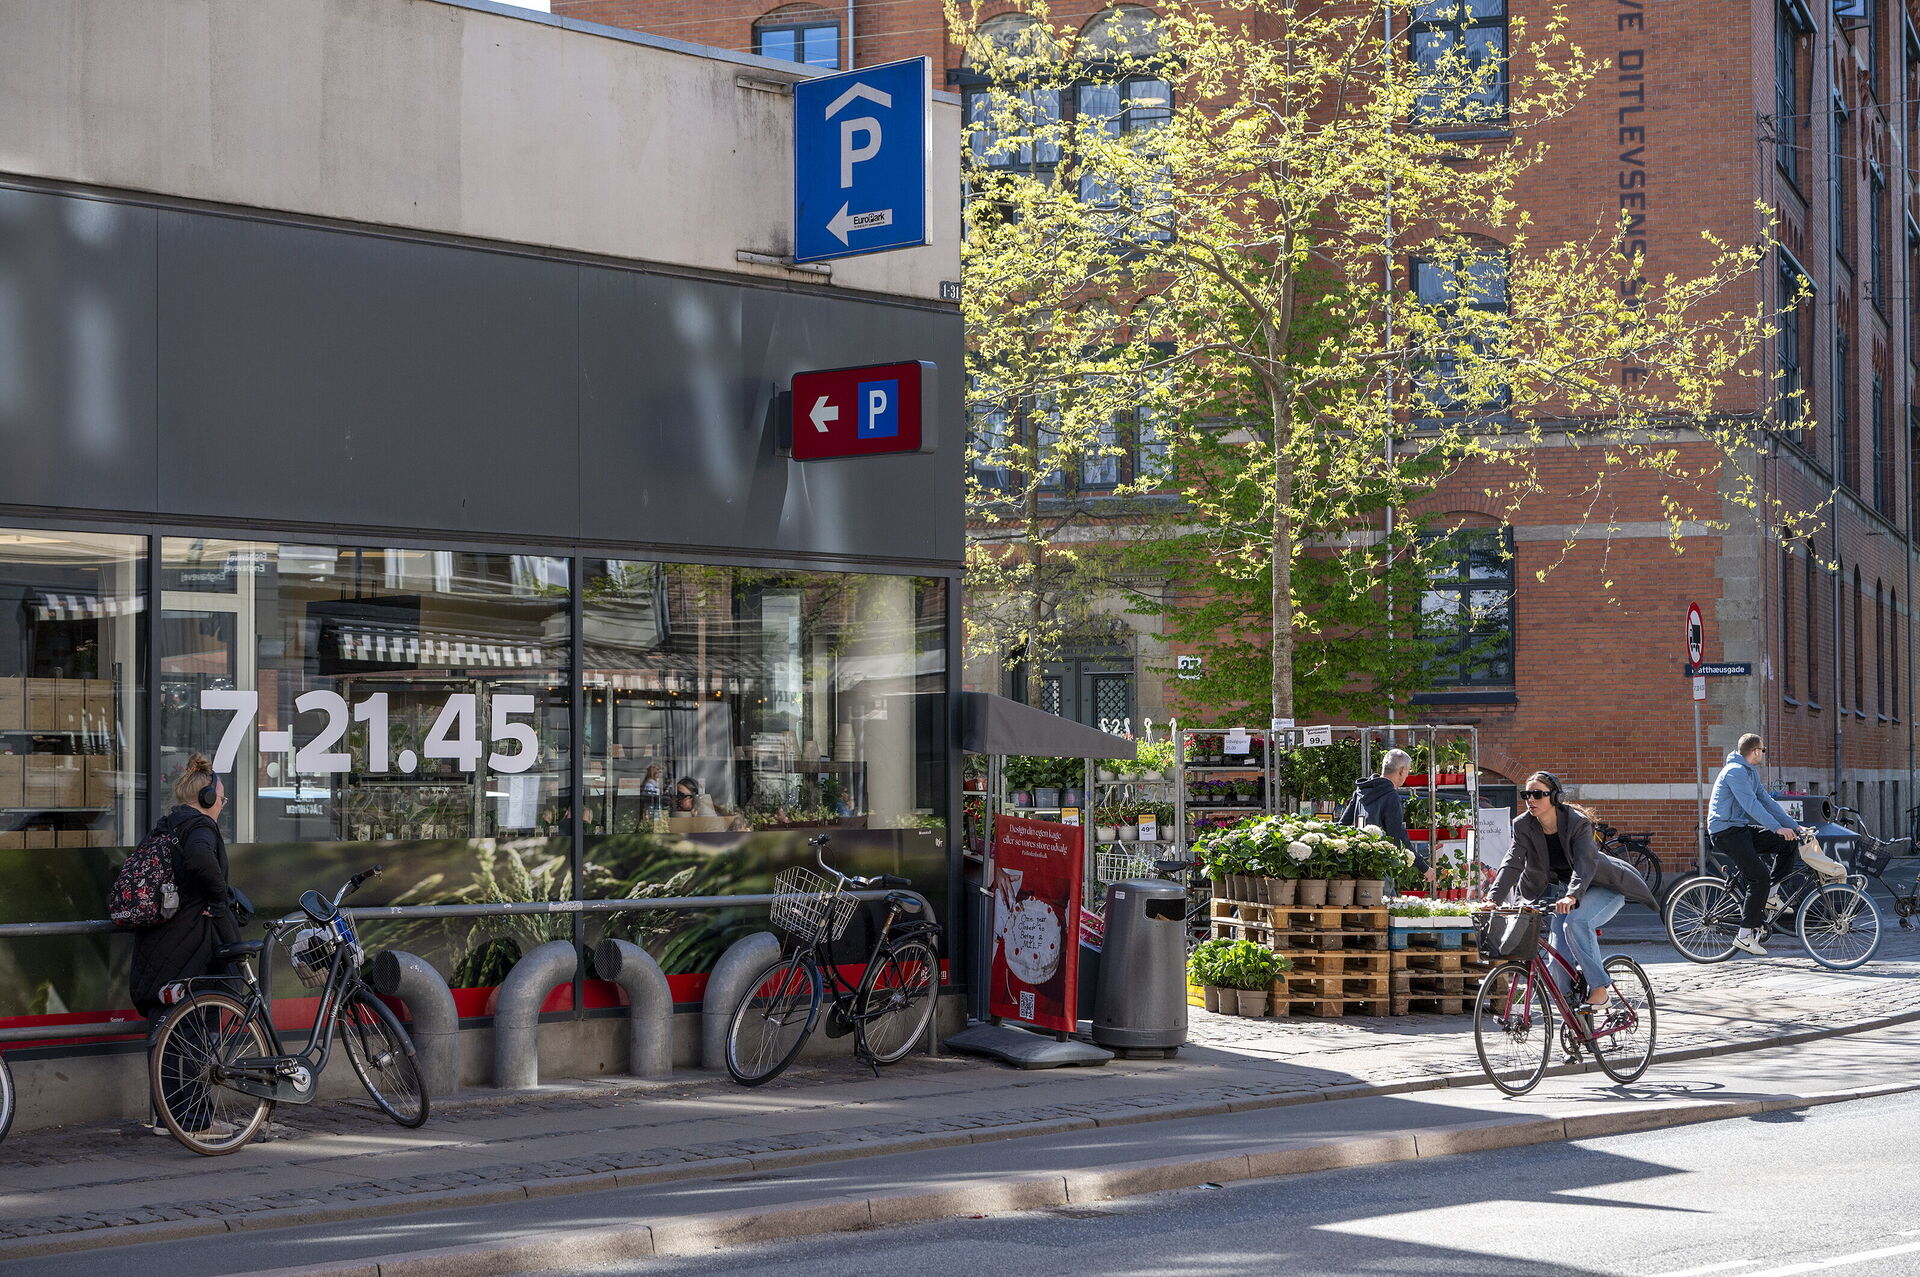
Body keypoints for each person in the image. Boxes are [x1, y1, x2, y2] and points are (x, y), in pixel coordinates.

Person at [129, 754, 244, 1134]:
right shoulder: (200, 828)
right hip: (190, 942)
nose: (222, 805)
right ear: (208, 798)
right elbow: (199, 858)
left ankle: (169, 1119)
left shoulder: (165, 827)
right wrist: (219, 898)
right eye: (222, 798)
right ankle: (195, 1121)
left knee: (166, 1032)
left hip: (158, 941)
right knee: (193, 1031)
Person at [1490, 771, 1654, 1019]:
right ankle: (1575, 1017)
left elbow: (1584, 863)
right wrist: (1493, 898)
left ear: (1555, 797)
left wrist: (1573, 896)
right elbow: (1513, 861)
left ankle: (1600, 990)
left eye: (1537, 794)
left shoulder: (1577, 822)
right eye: (1527, 795)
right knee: (1557, 961)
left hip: (1602, 886)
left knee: (1576, 923)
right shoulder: (1523, 824)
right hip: (1568, 892)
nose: (1531, 799)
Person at [1707, 733, 1812, 956]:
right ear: (1755, 751)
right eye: (1763, 750)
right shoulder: (1735, 772)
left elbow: (1767, 802)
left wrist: (1794, 827)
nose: (1764, 754)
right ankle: (1744, 936)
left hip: (1739, 828)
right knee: (1759, 877)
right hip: (1725, 832)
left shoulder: (1750, 772)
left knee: (1787, 843)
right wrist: (1776, 827)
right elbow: (1751, 805)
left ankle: (1771, 895)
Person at [1339, 747, 1419, 870]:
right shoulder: (1391, 796)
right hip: (1381, 865)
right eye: (1408, 771)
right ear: (1401, 771)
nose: (1407, 775)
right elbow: (1397, 836)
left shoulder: (1361, 791)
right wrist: (1423, 867)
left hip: (1357, 863)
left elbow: (1341, 826)